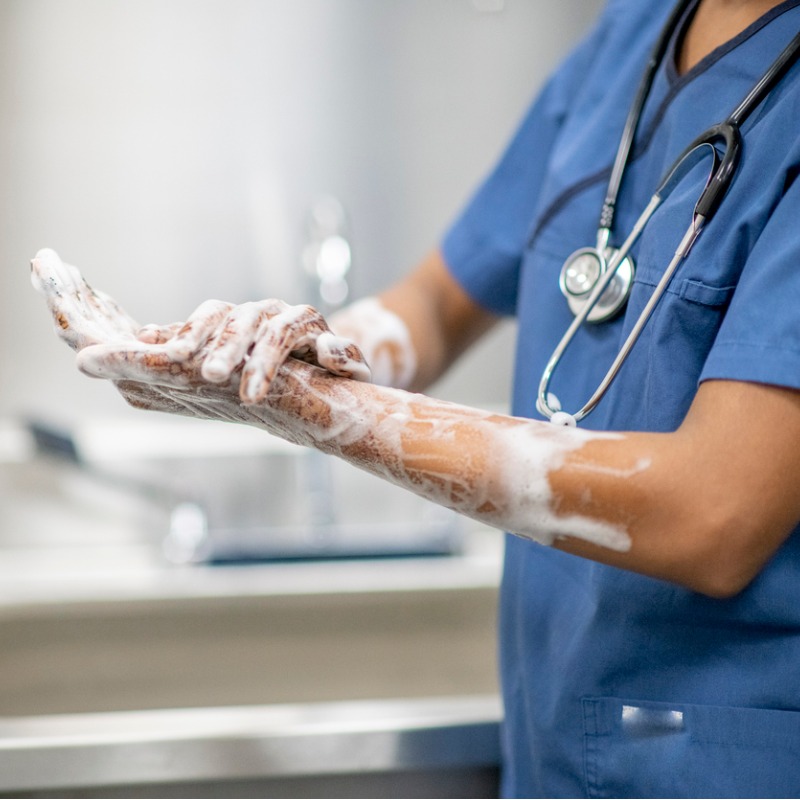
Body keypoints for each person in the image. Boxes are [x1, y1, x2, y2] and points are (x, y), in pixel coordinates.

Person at [31, 0, 800, 795]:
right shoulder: (633, 37)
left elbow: (715, 513)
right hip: (555, 757)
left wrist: (327, 413)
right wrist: (289, 353)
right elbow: (434, 306)